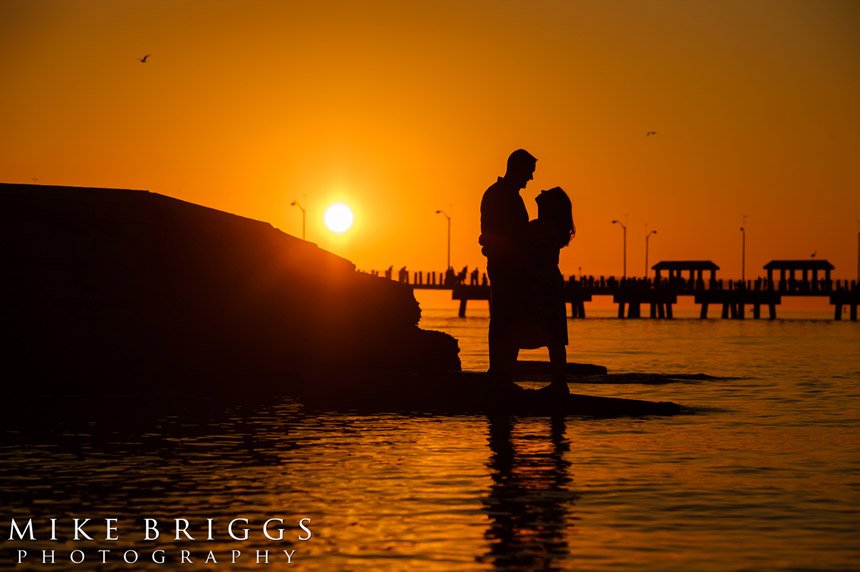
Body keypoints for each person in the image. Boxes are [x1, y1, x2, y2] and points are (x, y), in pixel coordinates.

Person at [479, 149, 537, 390]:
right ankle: (499, 374)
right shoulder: (499, 195)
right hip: (505, 266)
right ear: (517, 169)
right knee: (504, 318)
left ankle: (503, 373)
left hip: (511, 265)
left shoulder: (507, 195)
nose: (531, 178)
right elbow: (496, 234)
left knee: (508, 318)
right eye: (529, 172)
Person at [521, 187, 575, 395]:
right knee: (554, 336)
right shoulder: (549, 228)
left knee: (523, 327)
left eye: (547, 193)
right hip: (549, 282)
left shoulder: (542, 228)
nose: (541, 190)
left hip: (541, 283)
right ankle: (559, 383)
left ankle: (559, 384)